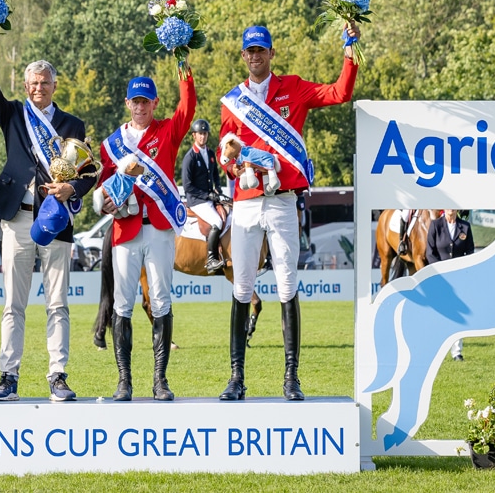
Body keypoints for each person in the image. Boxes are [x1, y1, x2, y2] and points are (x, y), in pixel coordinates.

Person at [218, 23, 359, 402]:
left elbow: (340, 93)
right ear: (244, 55)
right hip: (246, 202)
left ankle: (291, 377)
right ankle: (236, 378)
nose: (255, 56)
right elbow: (224, 153)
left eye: (261, 49)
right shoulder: (232, 102)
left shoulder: (294, 88)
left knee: (286, 286)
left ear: (271, 54)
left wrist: (350, 49)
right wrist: (236, 168)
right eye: (250, 50)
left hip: (283, 200)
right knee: (242, 287)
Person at [0, 27, 96, 402]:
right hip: (17, 218)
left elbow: (90, 171)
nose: (38, 88)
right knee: (14, 303)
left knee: (57, 302)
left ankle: (57, 374)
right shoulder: (12, 114)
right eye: (32, 83)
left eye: (44, 83)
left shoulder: (72, 125)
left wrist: (72, 188)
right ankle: (8, 375)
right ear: (26, 85)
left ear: (54, 85)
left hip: (55, 218)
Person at [98, 72, 196, 401]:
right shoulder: (112, 143)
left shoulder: (167, 130)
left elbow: (189, 105)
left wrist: (182, 65)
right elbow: (103, 188)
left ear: (155, 103)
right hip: (126, 228)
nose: (140, 107)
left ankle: (160, 380)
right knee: (123, 304)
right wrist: (106, 202)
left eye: (145, 101)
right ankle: (124, 380)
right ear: (127, 103)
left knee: (161, 300)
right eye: (135, 101)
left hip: (160, 228)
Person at [425, 208, 475, 361]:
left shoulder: (465, 226)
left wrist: (462, 270)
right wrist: (440, 270)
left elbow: (470, 251)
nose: (450, 209)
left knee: (458, 315)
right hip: (440, 277)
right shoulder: (435, 225)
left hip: (458, 277)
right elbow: (430, 252)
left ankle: (457, 352)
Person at [180, 118, 226, 274]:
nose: (203, 137)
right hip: (197, 201)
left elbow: (215, 174)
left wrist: (218, 188)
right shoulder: (190, 157)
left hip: (209, 199)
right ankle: (212, 258)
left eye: (205, 133)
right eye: (200, 134)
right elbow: (187, 186)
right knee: (218, 222)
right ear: (194, 135)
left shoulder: (211, 154)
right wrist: (207, 195)